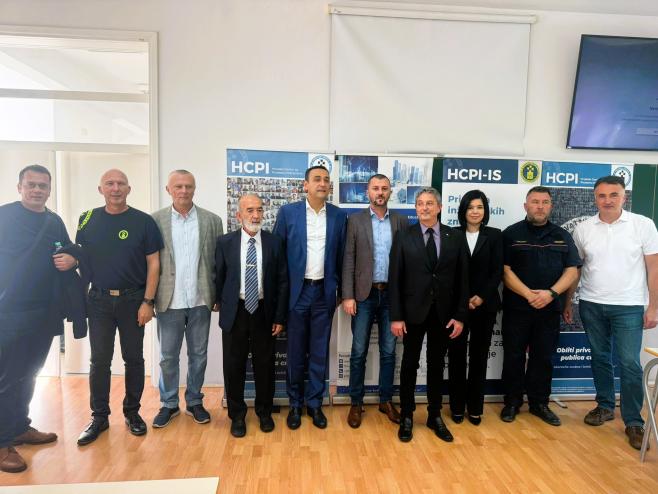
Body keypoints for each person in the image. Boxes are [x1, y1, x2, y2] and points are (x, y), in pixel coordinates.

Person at [564, 175, 658, 450]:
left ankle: (634, 421)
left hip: (629, 305)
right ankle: (604, 406)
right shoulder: (583, 229)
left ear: (623, 196)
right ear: (595, 198)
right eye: (602, 196)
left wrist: (654, 306)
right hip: (591, 303)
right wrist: (568, 302)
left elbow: (654, 268)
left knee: (629, 362)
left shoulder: (642, 225)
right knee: (600, 357)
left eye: (613, 195)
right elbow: (576, 269)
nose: (607, 200)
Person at [0, 165, 82, 473]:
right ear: (19, 187)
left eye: (42, 186)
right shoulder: (4, 216)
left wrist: (73, 258)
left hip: (45, 311)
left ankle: (20, 427)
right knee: (6, 377)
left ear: (49, 190)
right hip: (8, 311)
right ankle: (2, 442)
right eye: (31, 184)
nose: (37, 190)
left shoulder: (53, 221)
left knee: (29, 373)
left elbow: (69, 249)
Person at [76, 169, 163, 446]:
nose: (115, 188)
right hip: (98, 300)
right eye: (110, 184)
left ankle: (132, 413)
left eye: (121, 184)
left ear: (129, 189)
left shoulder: (144, 222)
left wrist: (148, 302)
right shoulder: (87, 219)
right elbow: (81, 261)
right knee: (99, 361)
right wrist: (80, 299)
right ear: (100, 189)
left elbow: (154, 264)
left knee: (133, 359)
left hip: (133, 300)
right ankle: (99, 417)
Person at [389, 187, 469, 443]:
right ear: (415, 208)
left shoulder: (455, 237)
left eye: (429, 203)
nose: (424, 208)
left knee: (436, 365)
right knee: (409, 364)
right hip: (412, 312)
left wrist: (460, 315)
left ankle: (435, 415)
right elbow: (395, 278)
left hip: (443, 314)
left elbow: (463, 280)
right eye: (420, 204)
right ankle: (407, 416)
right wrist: (396, 316)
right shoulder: (404, 236)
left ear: (439, 207)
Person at [273, 165, 347, 430]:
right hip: (298, 293)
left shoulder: (338, 216)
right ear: (305, 185)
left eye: (326, 180)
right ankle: (295, 404)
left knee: (318, 351)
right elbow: (277, 255)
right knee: (294, 352)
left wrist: (339, 291)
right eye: (317, 179)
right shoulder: (288, 213)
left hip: (324, 293)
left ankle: (314, 403)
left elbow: (342, 256)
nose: (322, 183)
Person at [500, 186, 580, 426]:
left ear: (551, 206)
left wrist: (551, 294)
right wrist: (528, 294)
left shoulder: (562, 235)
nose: (540, 206)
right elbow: (504, 271)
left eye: (545, 202)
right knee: (513, 356)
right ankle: (512, 402)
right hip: (517, 309)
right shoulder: (511, 234)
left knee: (543, 357)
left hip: (548, 309)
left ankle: (539, 403)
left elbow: (572, 270)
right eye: (535, 202)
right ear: (526, 206)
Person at [151, 170, 223, 428]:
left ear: (194, 189)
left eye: (188, 186)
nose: (184, 191)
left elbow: (218, 262)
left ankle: (194, 401)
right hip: (168, 300)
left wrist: (218, 295)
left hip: (200, 299)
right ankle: (169, 403)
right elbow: (148, 262)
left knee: (199, 355)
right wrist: (148, 299)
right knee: (168, 357)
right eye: (178, 186)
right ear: (168, 190)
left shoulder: (212, 220)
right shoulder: (154, 221)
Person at [215, 194, 288, 437]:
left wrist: (279, 317)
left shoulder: (274, 242)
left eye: (259, 210)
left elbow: (282, 282)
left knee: (264, 365)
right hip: (235, 312)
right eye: (250, 210)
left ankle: (264, 412)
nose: (256, 215)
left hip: (264, 312)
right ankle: (237, 416)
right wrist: (220, 303)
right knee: (233, 366)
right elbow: (219, 277)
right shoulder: (225, 242)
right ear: (239, 215)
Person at [342, 174, 408, 428]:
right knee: (358, 351)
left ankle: (385, 400)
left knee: (389, 351)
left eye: (384, 188)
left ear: (390, 192)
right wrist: (348, 295)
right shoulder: (355, 220)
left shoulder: (401, 221)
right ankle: (356, 402)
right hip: (363, 295)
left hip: (392, 295)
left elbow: (407, 260)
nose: (380, 192)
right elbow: (348, 259)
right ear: (367, 192)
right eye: (375, 188)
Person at [449, 190, 503, 426]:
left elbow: (497, 271)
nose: (475, 211)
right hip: (457, 308)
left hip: (485, 305)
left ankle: (475, 408)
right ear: (463, 210)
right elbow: (449, 271)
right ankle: (456, 406)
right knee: (457, 357)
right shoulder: (452, 234)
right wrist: (463, 301)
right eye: (470, 207)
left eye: (479, 207)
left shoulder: (495, 235)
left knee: (479, 357)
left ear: (485, 211)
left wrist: (481, 297)